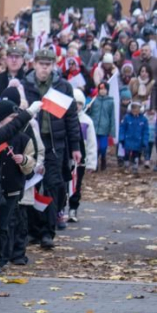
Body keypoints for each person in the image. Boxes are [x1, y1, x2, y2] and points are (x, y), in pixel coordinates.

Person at [22, 48, 81, 250]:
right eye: (41, 63)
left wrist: (75, 146)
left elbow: (71, 118)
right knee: (31, 185)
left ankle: (48, 231)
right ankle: (33, 229)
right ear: (34, 64)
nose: (44, 67)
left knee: (52, 185)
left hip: (54, 144)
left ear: (53, 66)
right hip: (31, 143)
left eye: (48, 64)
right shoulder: (25, 85)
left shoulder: (62, 86)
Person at [0, 99, 36, 276]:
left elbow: (32, 162)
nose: (15, 120)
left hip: (11, 189)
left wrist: (24, 160)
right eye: (11, 117)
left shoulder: (24, 139)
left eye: (16, 117)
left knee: (1, 227)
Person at [68, 89, 97, 222]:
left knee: (76, 185)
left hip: (80, 160)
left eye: (79, 103)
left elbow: (91, 144)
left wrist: (91, 163)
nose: (77, 106)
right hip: (67, 158)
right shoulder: (65, 119)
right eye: (74, 103)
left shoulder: (87, 121)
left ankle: (73, 208)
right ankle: (62, 208)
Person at [88, 81, 116, 171]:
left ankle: (103, 158)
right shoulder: (94, 100)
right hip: (94, 127)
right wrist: (88, 108)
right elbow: (89, 114)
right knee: (95, 146)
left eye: (104, 89)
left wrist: (112, 130)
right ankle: (95, 163)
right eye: (101, 89)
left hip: (104, 128)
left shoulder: (110, 102)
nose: (102, 91)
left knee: (103, 147)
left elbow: (112, 117)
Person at [120, 101, 150, 172]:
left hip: (138, 140)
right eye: (133, 108)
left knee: (136, 154)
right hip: (128, 139)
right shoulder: (127, 118)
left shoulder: (143, 119)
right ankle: (126, 165)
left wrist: (145, 141)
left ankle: (135, 166)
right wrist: (121, 138)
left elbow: (146, 131)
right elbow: (122, 128)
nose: (135, 110)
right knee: (127, 153)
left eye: (137, 109)